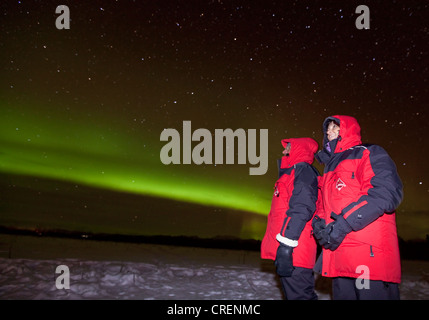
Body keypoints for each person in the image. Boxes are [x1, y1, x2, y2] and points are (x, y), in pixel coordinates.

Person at [312, 115, 403, 300]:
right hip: (339, 255)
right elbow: (325, 204)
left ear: (347, 130)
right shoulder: (329, 168)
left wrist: (343, 223)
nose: (329, 132)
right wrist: (319, 224)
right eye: (327, 129)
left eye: (335, 128)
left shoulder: (368, 152)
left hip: (368, 257)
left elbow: (385, 192)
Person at [261, 137, 319, 300]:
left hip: (295, 248)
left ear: (298, 149)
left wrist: (286, 245)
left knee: (300, 297)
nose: (283, 151)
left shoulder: (303, 171)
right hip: (290, 246)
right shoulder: (292, 173)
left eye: (287, 148)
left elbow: (302, 207)